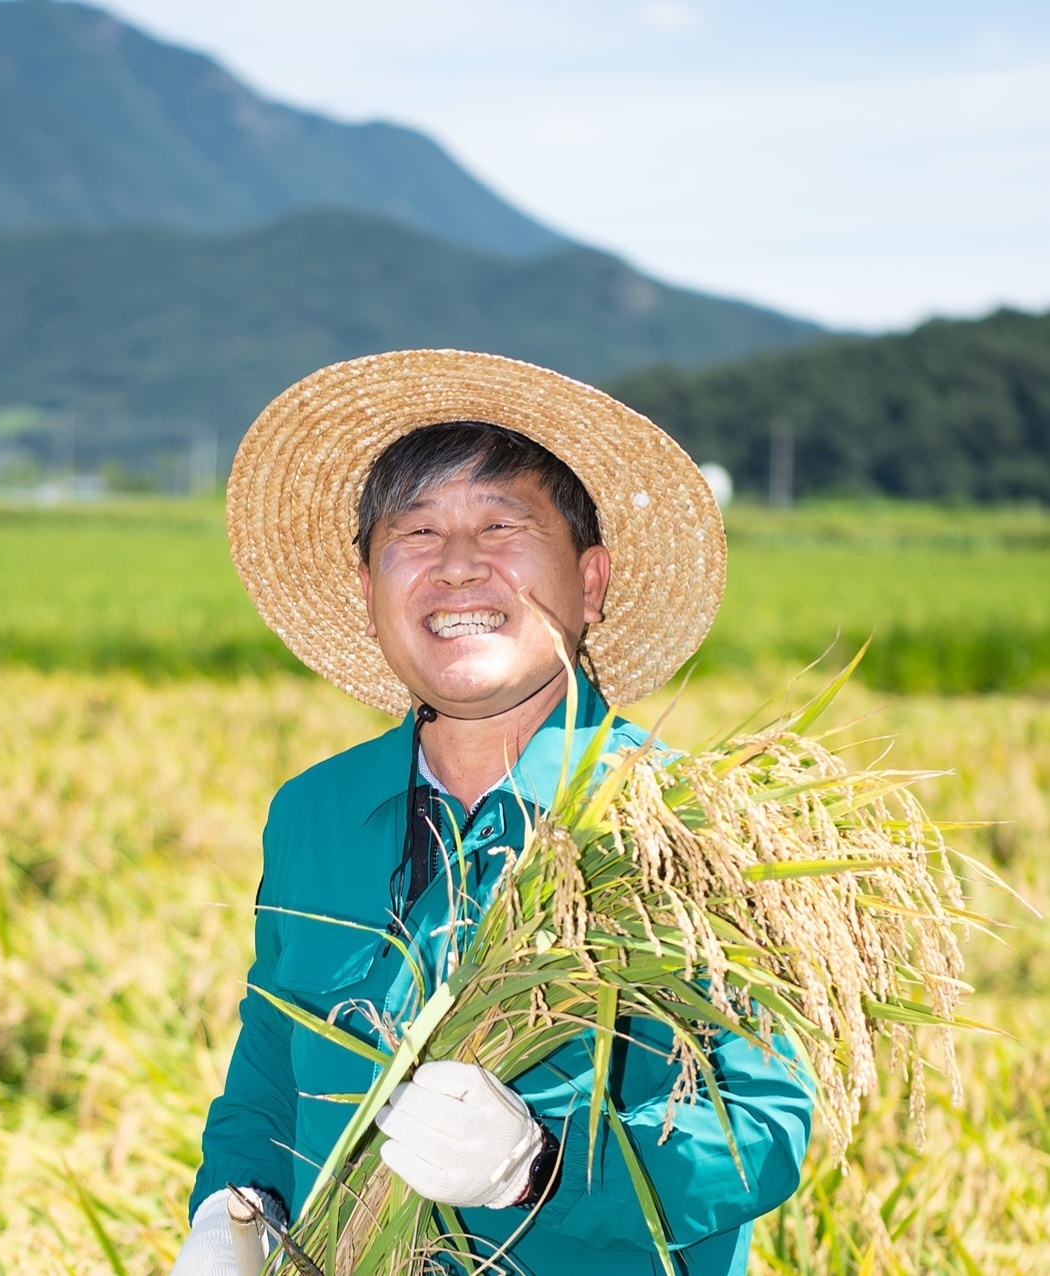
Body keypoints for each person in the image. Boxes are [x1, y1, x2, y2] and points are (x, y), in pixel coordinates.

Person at [174, 350, 813, 1276]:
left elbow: (762, 1124)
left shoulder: (685, 823)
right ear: (367, 587)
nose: (458, 567)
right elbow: (274, 1057)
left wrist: (539, 1171)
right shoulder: (314, 813)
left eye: (504, 526)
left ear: (589, 583)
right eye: (418, 533)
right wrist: (233, 1205)